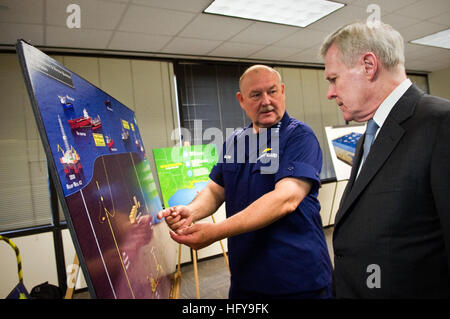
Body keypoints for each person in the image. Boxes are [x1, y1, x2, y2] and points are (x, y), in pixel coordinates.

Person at [157, 65, 333, 299]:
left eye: (272, 91)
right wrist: (190, 211)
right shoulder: (234, 141)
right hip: (245, 278)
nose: (266, 100)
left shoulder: (299, 136)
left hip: (296, 278)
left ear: (282, 91)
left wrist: (216, 231)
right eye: (256, 95)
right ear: (241, 100)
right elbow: (215, 190)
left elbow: (286, 199)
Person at [320, 21, 450, 298]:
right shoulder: (369, 134)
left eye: (334, 79)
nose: (330, 92)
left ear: (368, 65)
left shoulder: (441, 123)